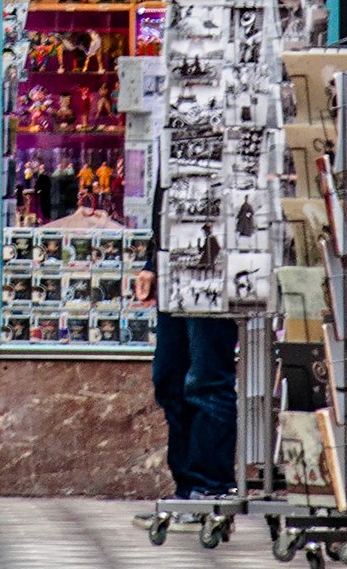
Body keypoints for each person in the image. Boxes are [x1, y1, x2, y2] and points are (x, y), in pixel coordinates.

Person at [130, 192, 237, 528]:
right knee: (169, 378)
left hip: (215, 266)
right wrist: (152, 263)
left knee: (207, 378)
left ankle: (210, 487)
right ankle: (187, 487)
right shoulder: (167, 136)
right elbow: (167, 193)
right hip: (173, 265)